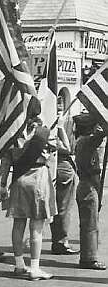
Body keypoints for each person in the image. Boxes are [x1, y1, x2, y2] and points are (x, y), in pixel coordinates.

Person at [0, 99, 57, 281]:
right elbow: (61, 150)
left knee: (18, 224)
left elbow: (6, 160)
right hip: (38, 177)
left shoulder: (14, 131)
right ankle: (34, 268)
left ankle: (18, 265)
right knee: (36, 226)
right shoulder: (44, 132)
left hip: (18, 179)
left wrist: (2, 184)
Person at [73, 113, 106, 270]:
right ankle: (89, 259)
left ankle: (87, 255)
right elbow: (100, 135)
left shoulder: (80, 141)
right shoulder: (86, 141)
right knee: (90, 225)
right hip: (89, 185)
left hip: (86, 185)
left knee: (88, 223)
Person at [49, 98, 79, 255]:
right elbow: (67, 148)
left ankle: (59, 240)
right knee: (63, 207)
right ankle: (61, 241)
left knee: (59, 207)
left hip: (60, 166)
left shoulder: (67, 120)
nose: (61, 108)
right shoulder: (54, 124)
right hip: (61, 166)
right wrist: (60, 127)